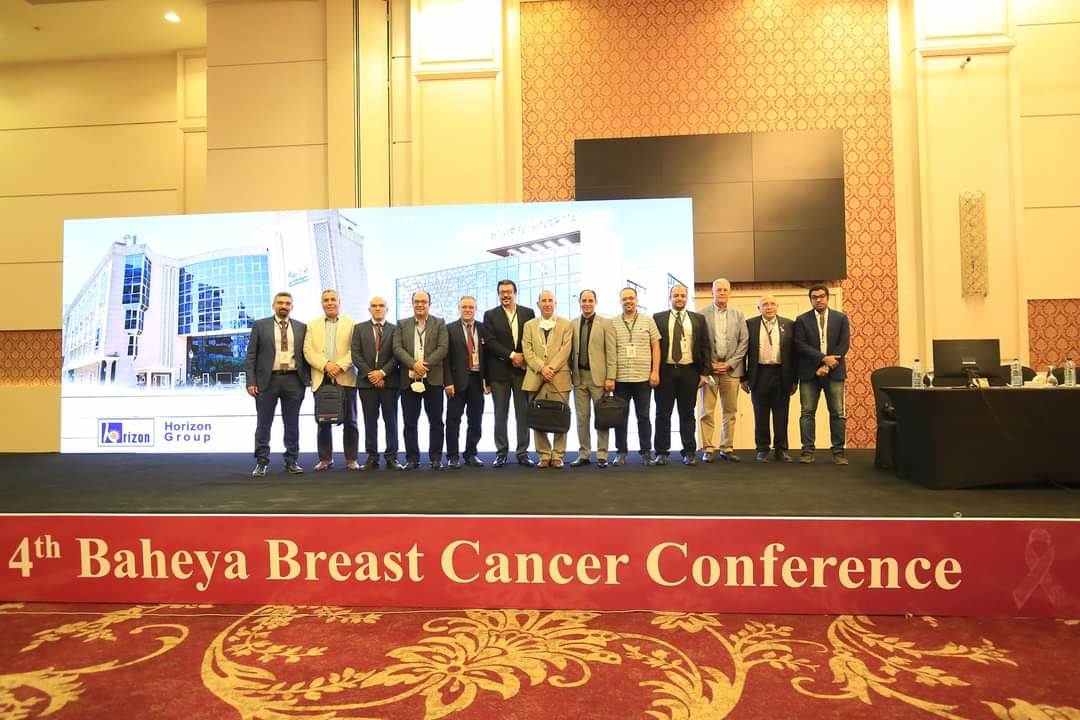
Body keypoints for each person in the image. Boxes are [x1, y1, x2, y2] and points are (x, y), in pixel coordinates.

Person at [245, 291, 310, 476]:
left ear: (292, 306)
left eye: (287, 303)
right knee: (264, 423)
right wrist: (251, 381)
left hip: (294, 380)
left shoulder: (301, 327)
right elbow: (251, 356)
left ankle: (292, 461)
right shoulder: (260, 325)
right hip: (267, 381)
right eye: (280, 303)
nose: (284, 306)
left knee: (292, 423)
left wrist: (307, 379)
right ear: (273, 305)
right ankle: (261, 462)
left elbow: (306, 354)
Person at [653, 284, 711, 466]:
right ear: (669, 298)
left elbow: (705, 346)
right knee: (663, 413)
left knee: (687, 413)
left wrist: (704, 373)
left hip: (689, 371)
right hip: (666, 371)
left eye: (682, 295)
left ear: (687, 298)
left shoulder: (698, 319)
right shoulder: (658, 318)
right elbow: (653, 346)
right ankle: (661, 452)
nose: (679, 298)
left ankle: (689, 452)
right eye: (676, 295)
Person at [793, 284, 850, 465]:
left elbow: (844, 344)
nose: (818, 300)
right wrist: (823, 359)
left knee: (838, 413)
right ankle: (807, 452)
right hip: (810, 373)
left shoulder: (841, 318)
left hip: (834, 371)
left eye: (821, 296)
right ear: (810, 300)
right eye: (814, 297)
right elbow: (800, 345)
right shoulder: (802, 320)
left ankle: (838, 453)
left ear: (827, 298)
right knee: (807, 413)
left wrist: (828, 365)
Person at [481, 279, 536, 467]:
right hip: (499, 372)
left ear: (515, 293)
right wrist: (512, 355)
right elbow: (490, 342)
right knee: (500, 414)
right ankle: (501, 452)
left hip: (522, 372)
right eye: (502, 292)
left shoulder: (528, 313)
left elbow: (532, 339)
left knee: (523, 414)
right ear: (498, 294)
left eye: (509, 292)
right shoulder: (490, 315)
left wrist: (524, 358)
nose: (505, 295)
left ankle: (523, 452)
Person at [393, 290, 449, 470]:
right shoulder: (402, 324)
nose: (420, 304)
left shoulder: (439, 323)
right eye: (416, 301)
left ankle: (436, 458)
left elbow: (443, 348)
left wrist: (424, 365)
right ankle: (412, 458)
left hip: (433, 379)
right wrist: (413, 364)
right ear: (412, 304)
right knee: (410, 422)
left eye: (423, 301)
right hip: (408, 380)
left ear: (429, 304)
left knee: (436, 421)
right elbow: (397, 348)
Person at [303, 289, 359, 471]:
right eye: (326, 300)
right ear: (322, 303)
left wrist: (339, 366)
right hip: (321, 378)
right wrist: (326, 365)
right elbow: (307, 351)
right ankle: (325, 459)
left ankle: (351, 459)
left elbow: (355, 350)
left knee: (350, 421)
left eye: (333, 299)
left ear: (339, 302)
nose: (330, 303)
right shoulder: (312, 325)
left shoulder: (352, 324)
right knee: (322, 421)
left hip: (345, 377)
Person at [741, 294, 798, 463]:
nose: (769, 307)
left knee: (782, 414)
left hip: (782, 374)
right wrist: (743, 378)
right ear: (759, 308)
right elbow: (743, 352)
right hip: (759, 373)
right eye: (765, 304)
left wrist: (795, 380)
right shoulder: (750, 324)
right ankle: (762, 449)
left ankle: (781, 449)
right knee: (760, 414)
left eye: (772, 303)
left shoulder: (789, 324)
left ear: (777, 307)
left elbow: (794, 354)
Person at [522, 290, 574, 468]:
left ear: (555, 303)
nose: (547, 303)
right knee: (538, 416)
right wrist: (541, 368)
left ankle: (558, 455)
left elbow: (566, 349)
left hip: (559, 377)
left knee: (560, 416)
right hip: (536, 376)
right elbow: (527, 350)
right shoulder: (529, 325)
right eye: (543, 300)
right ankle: (544, 454)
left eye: (550, 300)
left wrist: (550, 368)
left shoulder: (566, 324)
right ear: (538, 304)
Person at [351, 296, 403, 471]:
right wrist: (372, 375)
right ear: (369, 309)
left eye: (381, 306)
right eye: (374, 306)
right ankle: (372, 457)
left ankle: (392, 457)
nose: (378, 308)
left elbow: (397, 355)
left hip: (390, 382)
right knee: (370, 421)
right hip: (367, 384)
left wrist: (382, 373)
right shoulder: (359, 328)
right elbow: (355, 355)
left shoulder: (396, 329)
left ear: (387, 309)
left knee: (391, 421)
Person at [700, 278, 749, 463]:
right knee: (707, 411)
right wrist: (709, 364)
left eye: (725, 290)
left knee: (730, 411)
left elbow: (744, 342)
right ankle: (708, 448)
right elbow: (698, 343)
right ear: (712, 292)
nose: (721, 293)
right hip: (710, 371)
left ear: (730, 293)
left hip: (731, 371)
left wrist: (730, 363)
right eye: (718, 290)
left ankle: (727, 447)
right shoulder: (701, 314)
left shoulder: (738, 315)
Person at [611, 287, 661, 466]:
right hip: (620, 379)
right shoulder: (613, 323)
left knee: (644, 417)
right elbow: (610, 350)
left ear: (637, 300)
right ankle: (621, 452)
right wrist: (610, 376)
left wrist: (655, 371)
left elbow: (656, 347)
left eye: (631, 298)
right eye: (625, 299)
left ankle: (646, 452)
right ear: (620, 301)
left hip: (643, 379)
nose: (628, 301)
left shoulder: (648, 321)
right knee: (620, 418)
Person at [568, 289, 616, 468]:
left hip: (600, 378)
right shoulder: (572, 324)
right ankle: (584, 454)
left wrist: (611, 377)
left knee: (602, 417)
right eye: (584, 300)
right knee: (582, 418)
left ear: (596, 302)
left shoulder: (606, 323)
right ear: (579, 302)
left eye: (590, 300)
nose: (587, 304)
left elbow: (611, 352)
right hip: (578, 377)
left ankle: (602, 454)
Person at [444, 296, 486, 469]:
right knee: (453, 420)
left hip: (477, 380)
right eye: (464, 307)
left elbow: (488, 357)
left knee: (475, 420)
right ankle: (453, 456)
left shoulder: (483, 328)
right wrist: (448, 382)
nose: (467, 310)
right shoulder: (449, 329)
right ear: (459, 309)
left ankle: (471, 453)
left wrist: (488, 380)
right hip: (456, 382)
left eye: (470, 307)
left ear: (475, 309)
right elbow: (445, 359)